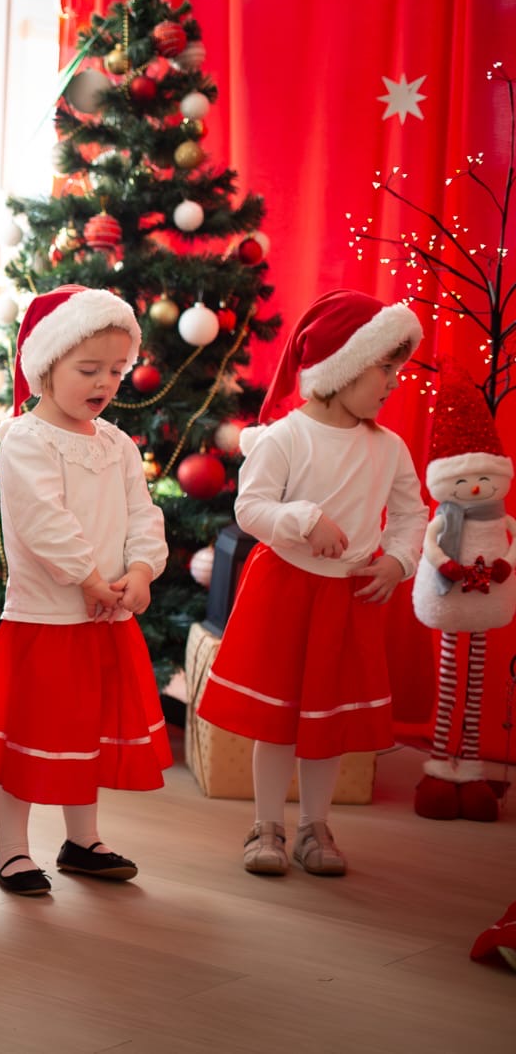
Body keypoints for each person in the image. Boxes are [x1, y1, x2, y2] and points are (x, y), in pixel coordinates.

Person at [198, 290, 426, 877]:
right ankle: (266, 825)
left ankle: (313, 827)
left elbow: (410, 514)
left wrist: (398, 562)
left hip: (348, 597)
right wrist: (303, 519)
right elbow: (251, 508)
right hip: (286, 591)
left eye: (397, 369)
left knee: (329, 721)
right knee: (279, 720)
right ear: (344, 366)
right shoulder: (285, 437)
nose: (394, 381)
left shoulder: (388, 447)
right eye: (385, 368)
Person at [0, 284, 171, 896]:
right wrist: (87, 578)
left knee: (86, 732)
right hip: (47, 618)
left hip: (104, 618)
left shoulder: (118, 443)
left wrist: (141, 570)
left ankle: (83, 840)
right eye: (88, 369)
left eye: (116, 370)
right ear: (46, 366)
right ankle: (12, 849)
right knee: (27, 737)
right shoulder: (26, 438)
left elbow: (143, 513)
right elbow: (43, 520)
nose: (105, 382)